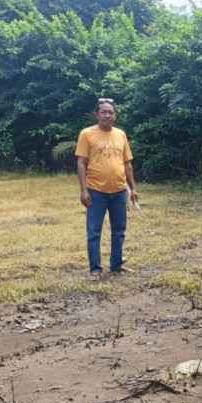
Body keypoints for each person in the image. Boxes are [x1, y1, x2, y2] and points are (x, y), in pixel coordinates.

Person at [76, 98, 138, 281]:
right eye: (103, 112)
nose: (107, 115)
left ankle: (117, 264)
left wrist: (133, 189)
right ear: (97, 115)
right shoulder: (87, 134)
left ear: (115, 116)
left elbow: (127, 163)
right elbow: (81, 163)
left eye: (110, 112)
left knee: (119, 230)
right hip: (96, 191)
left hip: (119, 191)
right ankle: (95, 269)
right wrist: (83, 190)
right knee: (94, 231)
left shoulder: (121, 135)